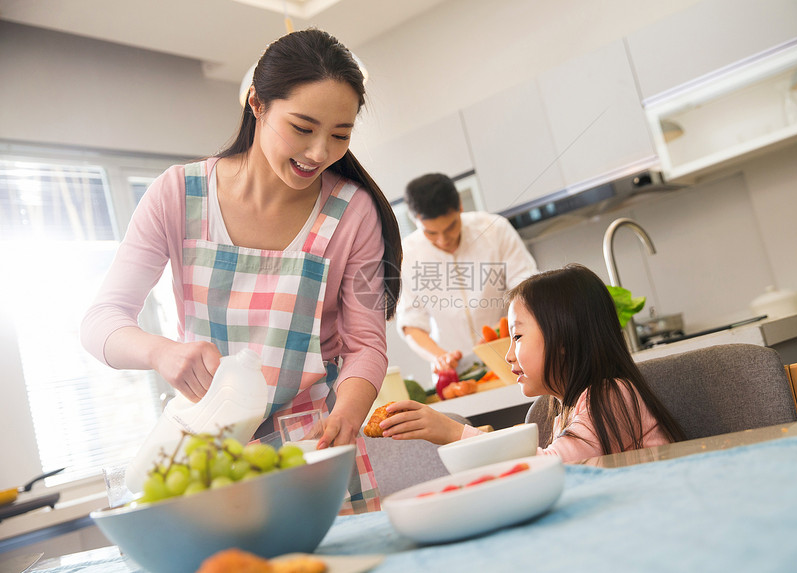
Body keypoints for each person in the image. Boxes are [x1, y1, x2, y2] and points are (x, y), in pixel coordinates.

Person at [80, 29, 402, 513]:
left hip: (317, 446)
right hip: (217, 451)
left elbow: (366, 345)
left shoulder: (351, 211)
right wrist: (161, 353)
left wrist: (346, 416)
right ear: (257, 103)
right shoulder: (179, 194)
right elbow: (101, 320)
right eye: (302, 127)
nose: (318, 152)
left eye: (340, 135)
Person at [378, 264, 685, 463]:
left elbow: (547, 465)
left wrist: (453, 432)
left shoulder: (612, 395)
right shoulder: (562, 408)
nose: (508, 354)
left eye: (518, 336)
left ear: (563, 341)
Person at [396, 173, 538, 379]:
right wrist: (439, 357)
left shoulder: (495, 229)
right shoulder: (407, 254)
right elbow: (411, 323)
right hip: (453, 373)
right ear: (415, 220)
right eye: (431, 233)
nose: (443, 239)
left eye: (450, 226)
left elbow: (526, 289)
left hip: (510, 355)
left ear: (460, 207)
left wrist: (502, 333)